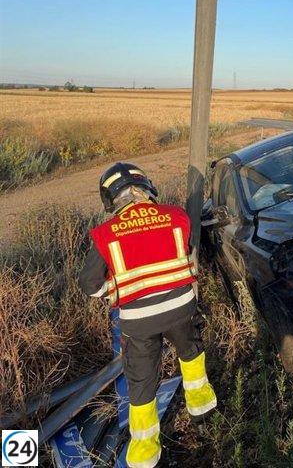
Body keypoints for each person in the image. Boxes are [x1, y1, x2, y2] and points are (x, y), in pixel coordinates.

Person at [79, 162, 217, 468]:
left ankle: (145, 453)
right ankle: (202, 410)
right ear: (147, 187)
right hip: (182, 307)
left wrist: (113, 290)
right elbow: (186, 247)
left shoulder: (106, 233)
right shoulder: (176, 216)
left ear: (110, 199)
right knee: (191, 355)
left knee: (141, 380)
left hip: (139, 320)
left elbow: (88, 284)